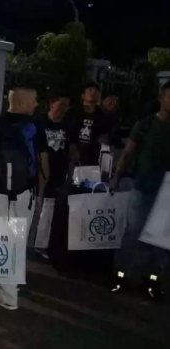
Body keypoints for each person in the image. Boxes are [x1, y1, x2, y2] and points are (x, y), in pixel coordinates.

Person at [0, 86, 50, 310]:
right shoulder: (35, 126)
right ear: (21, 103)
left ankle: (4, 286)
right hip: (25, 193)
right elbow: (43, 163)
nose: (37, 104)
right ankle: (10, 296)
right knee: (18, 240)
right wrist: (40, 193)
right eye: (34, 100)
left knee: (0, 238)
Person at [109, 81, 170, 302]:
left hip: (168, 193)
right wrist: (117, 176)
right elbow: (128, 153)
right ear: (161, 98)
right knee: (132, 234)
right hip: (143, 186)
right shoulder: (145, 124)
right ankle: (120, 276)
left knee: (161, 241)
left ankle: (152, 280)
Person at [33, 93, 78, 258]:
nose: (65, 109)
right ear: (51, 104)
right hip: (38, 171)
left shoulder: (68, 125)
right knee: (36, 206)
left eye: (67, 105)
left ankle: (41, 244)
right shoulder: (39, 122)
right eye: (62, 104)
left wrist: (70, 176)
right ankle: (28, 241)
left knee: (49, 209)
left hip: (59, 172)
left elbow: (72, 151)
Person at [70, 82, 113, 166]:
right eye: (90, 90)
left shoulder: (102, 116)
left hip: (92, 161)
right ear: (83, 95)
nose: (93, 93)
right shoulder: (74, 113)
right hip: (72, 159)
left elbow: (106, 138)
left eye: (96, 91)